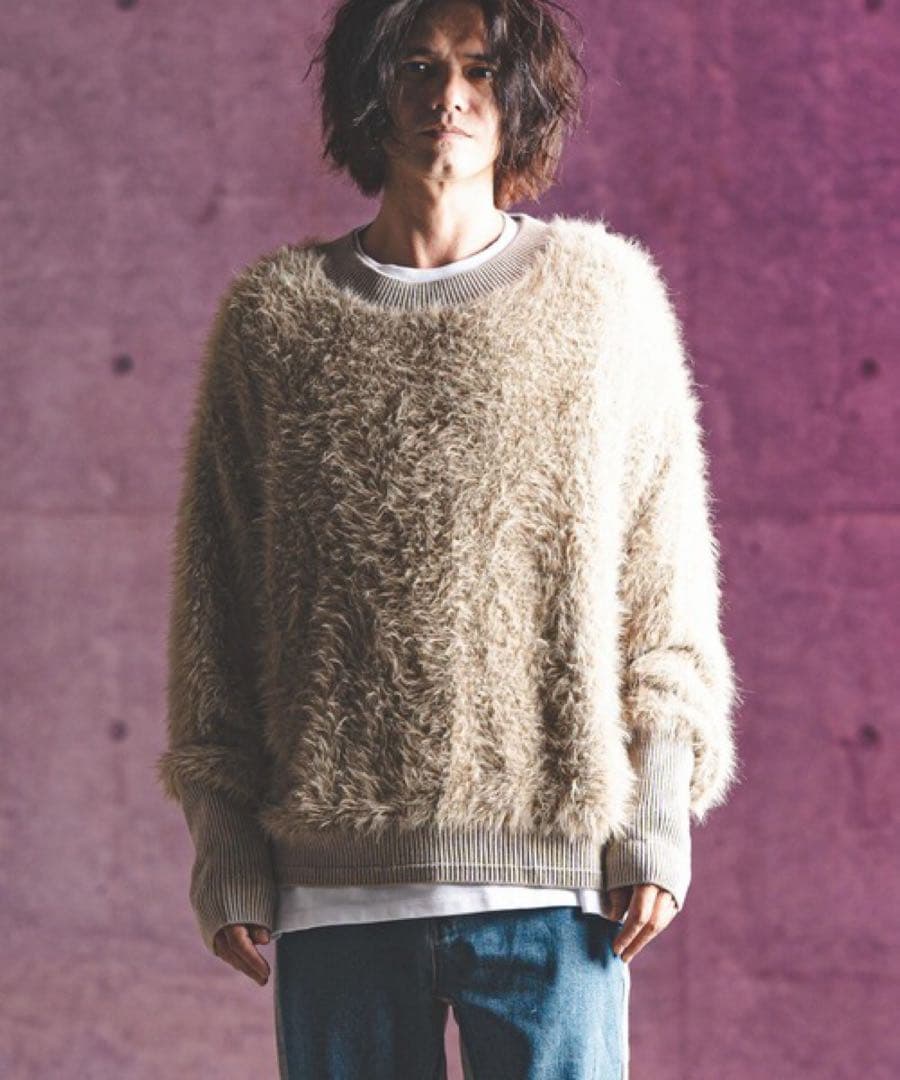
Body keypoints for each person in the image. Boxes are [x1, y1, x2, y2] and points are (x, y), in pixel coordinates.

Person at [155, 0, 742, 1076]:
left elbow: (664, 588)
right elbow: (215, 606)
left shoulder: (604, 302)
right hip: (336, 894)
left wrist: (658, 817)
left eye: (480, 69)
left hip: (555, 892)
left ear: (520, 100)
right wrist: (224, 839)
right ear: (370, 91)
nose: (451, 96)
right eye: (419, 66)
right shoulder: (274, 323)